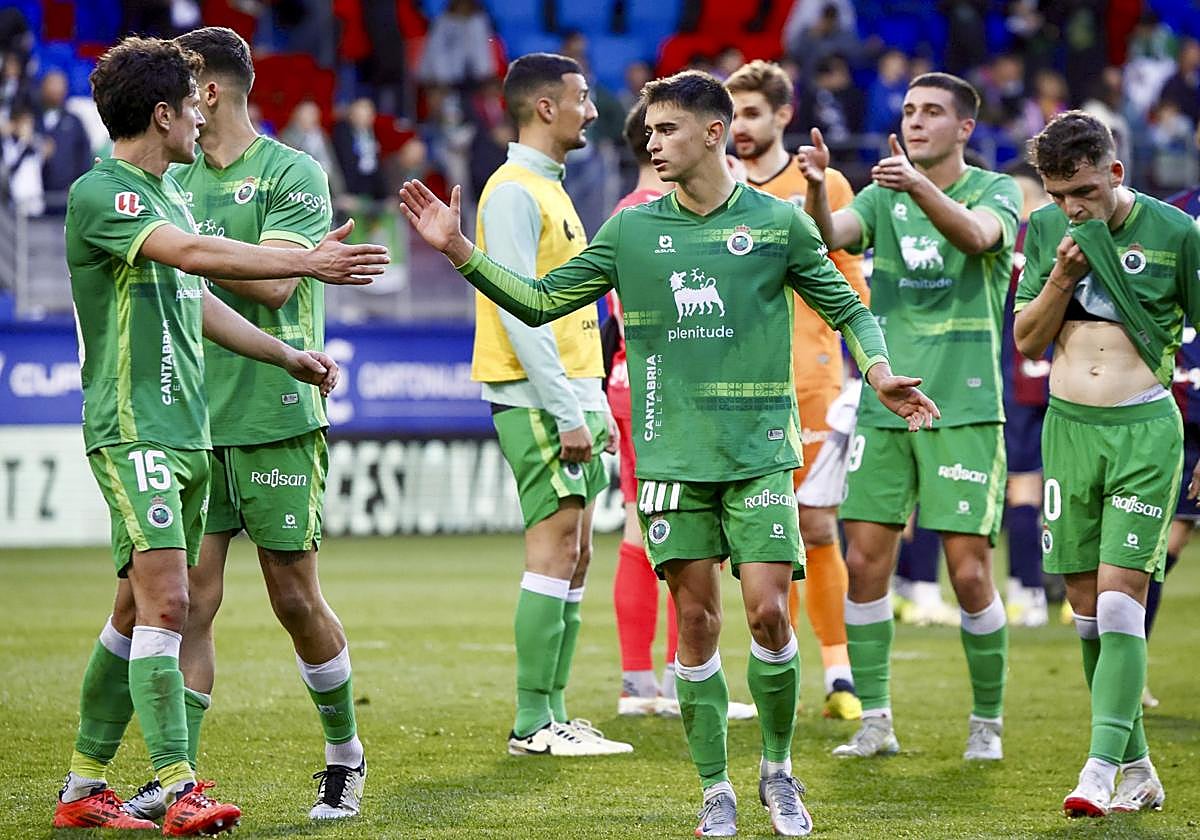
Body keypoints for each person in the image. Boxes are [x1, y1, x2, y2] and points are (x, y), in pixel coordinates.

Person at [398, 68, 939, 839]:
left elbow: (850, 306)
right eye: (648, 131)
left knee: (767, 614)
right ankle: (715, 787)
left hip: (758, 452)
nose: (650, 143)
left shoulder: (778, 223)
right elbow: (543, 302)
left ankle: (778, 770)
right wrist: (460, 250)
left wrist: (878, 371)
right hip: (671, 458)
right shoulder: (631, 231)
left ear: (714, 133)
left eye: (666, 129)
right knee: (695, 622)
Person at [53, 35, 386, 833]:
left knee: (189, 604)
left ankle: (86, 784)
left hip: (232, 423)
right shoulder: (113, 192)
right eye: (185, 106)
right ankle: (178, 782)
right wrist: (310, 266)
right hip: (145, 426)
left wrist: (288, 356)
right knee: (179, 601)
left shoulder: (246, 178)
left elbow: (201, 294)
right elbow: (200, 257)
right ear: (169, 109)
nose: (198, 120)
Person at [798, 72, 1021, 761]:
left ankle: (987, 723)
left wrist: (917, 187)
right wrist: (816, 186)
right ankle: (876, 721)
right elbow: (829, 233)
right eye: (908, 111)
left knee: (969, 572)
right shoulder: (880, 196)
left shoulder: (996, 190)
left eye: (931, 112)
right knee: (864, 561)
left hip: (965, 404)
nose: (916, 121)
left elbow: (978, 238)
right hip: (885, 401)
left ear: (965, 128)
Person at [1014, 110, 1200, 816]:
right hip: (1068, 431)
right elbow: (1028, 341)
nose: (1072, 207)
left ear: (1115, 173)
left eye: (1084, 191)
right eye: (1059, 194)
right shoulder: (1044, 232)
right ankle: (1139, 768)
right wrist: (1062, 277)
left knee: (1123, 599)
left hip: (1144, 431)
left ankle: (1097, 769)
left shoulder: (1176, 233)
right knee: (1088, 610)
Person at [470, 52, 629, 758]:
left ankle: (555, 712)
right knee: (554, 551)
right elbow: (517, 309)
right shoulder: (512, 192)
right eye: (582, 97)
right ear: (545, 107)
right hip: (536, 396)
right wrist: (567, 410)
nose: (591, 110)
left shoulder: (549, 188)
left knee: (578, 553)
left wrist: (588, 401)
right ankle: (532, 722)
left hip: (571, 391)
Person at [725, 58, 868, 721]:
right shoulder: (713, 185)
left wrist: (865, 369)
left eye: (752, 113)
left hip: (811, 381)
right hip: (732, 385)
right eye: (732, 114)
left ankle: (838, 673)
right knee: (732, 535)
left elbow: (851, 284)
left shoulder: (825, 184)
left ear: (783, 115)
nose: (739, 126)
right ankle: (732, 666)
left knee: (815, 525)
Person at [607, 99, 756, 722]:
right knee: (678, 535)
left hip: (636, 386)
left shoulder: (627, 212)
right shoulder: (659, 215)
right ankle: (668, 678)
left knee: (644, 530)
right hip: (668, 393)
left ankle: (644, 680)